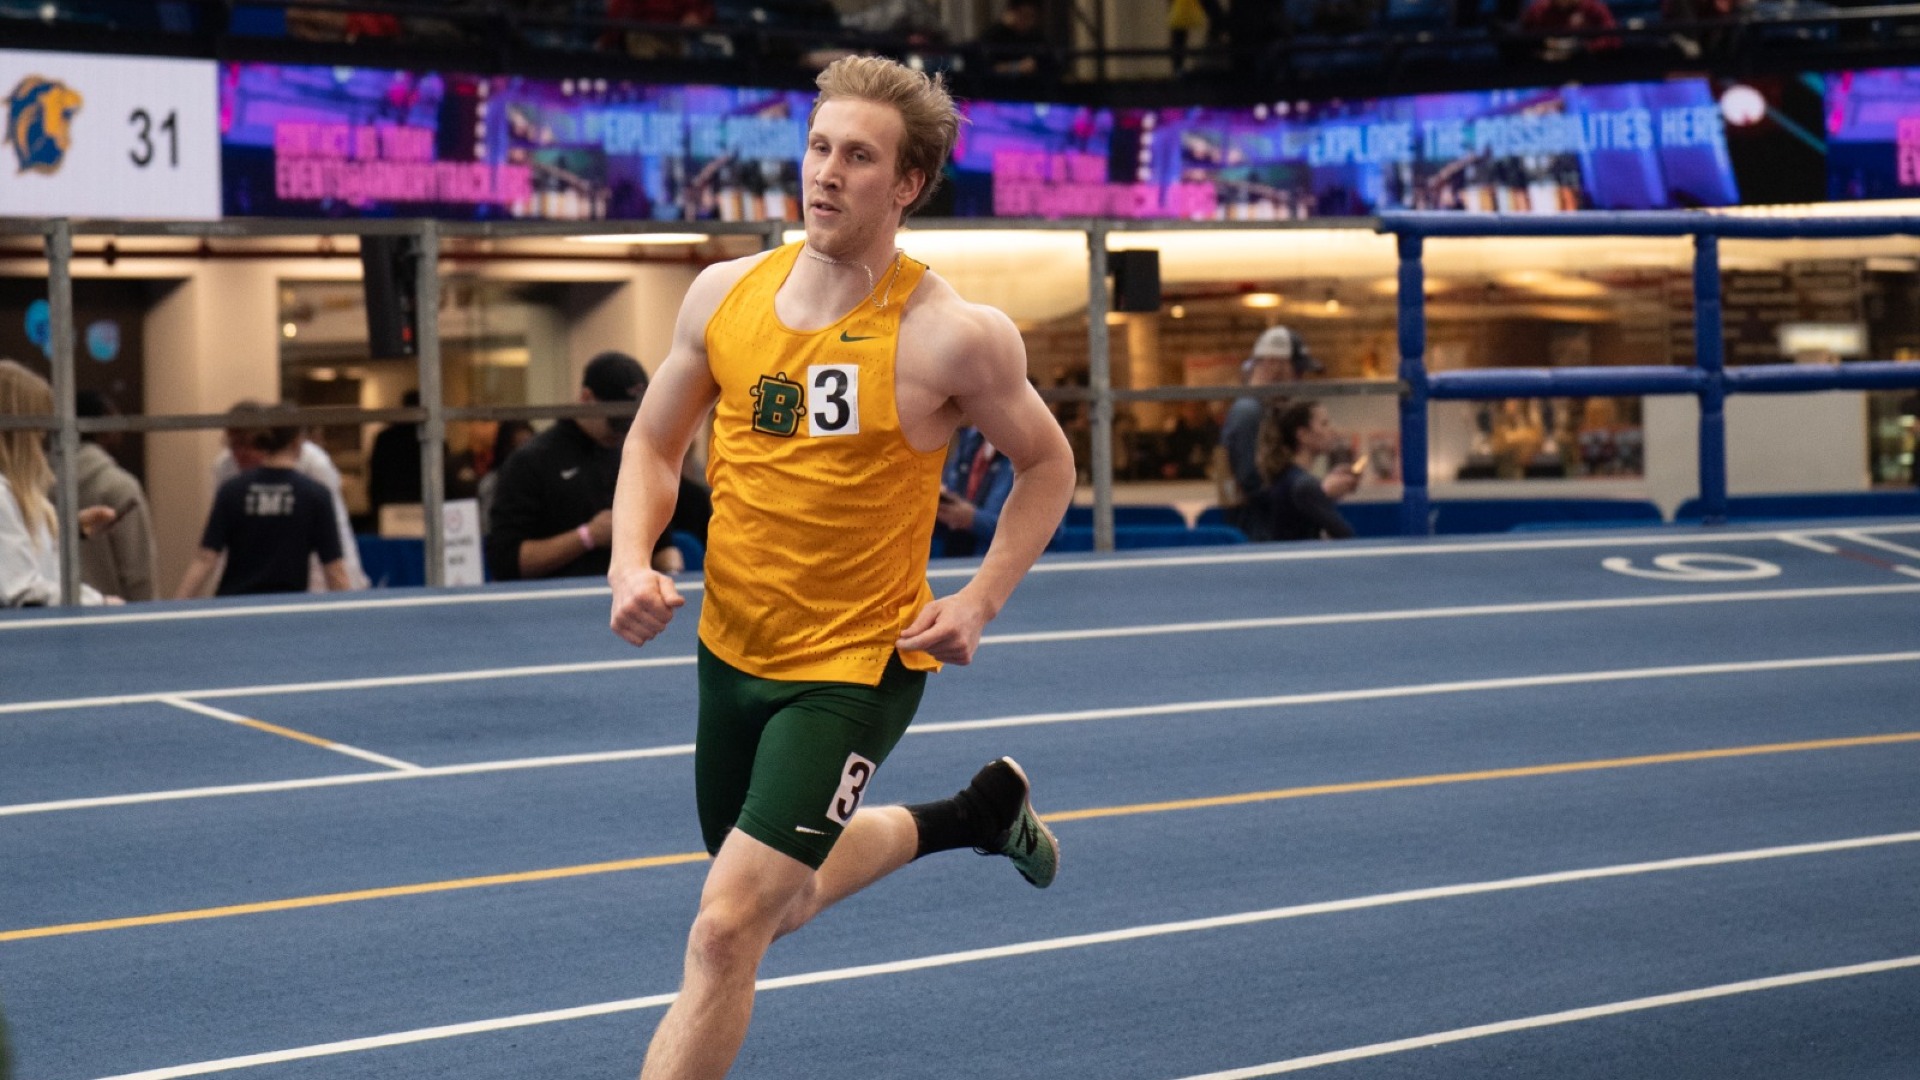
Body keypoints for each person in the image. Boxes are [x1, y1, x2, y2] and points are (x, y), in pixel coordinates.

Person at [605, 55, 1077, 1080]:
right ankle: (974, 817)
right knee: (784, 899)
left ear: (908, 183)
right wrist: (629, 561)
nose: (825, 172)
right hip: (731, 652)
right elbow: (653, 444)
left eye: (858, 157)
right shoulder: (725, 295)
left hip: (855, 666)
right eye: (819, 147)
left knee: (726, 929)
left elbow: (1048, 464)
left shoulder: (950, 336)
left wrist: (981, 600)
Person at [486, 351, 708, 580]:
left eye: (631, 420)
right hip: (556, 596)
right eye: (615, 421)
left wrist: (671, 570)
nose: (622, 432)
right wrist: (587, 537)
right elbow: (505, 561)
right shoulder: (531, 462)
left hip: (627, 595)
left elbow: (662, 544)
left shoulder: (631, 454)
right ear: (586, 398)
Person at [176, 405, 352, 597]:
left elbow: (205, 558)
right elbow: (334, 570)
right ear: (297, 442)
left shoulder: (232, 491)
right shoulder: (315, 495)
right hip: (286, 603)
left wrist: (177, 606)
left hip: (236, 601)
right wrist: (350, 610)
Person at [0, 360, 116, 606]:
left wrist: (66, 529)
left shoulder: (15, 494)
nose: (44, 443)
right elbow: (23, 591)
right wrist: (99, 603)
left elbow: (21, 558)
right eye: (39, 432)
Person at [1219, 325, 1320, 515]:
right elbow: (1255, 486)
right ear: (1272, 363)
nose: (1299, 381)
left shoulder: (1263, 410)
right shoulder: (1249, 412)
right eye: (1297, 372)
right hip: (1257, 527)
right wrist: (1316, 494)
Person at [72, 390, 158, 601]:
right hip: (112, 611)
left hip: (55, 611)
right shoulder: (119, 486)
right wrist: (147, 613)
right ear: (104, 424)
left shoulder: (41, 485)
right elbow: (137, 570)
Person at [1245, 399, 1357, 541]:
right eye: (1324, 424)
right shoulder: (1304, 485)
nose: (1332, 430)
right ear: (1303, 435)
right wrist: (1322, 493)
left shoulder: (1287, 477)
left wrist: (1323, 493)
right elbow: (1346, 536)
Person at [934, 425, 1017, 557]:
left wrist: (973, 519)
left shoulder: (1028, 450)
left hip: (996, 558)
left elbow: (1035, 531)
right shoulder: (969, 438)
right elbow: (949, 488)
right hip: (952, 555)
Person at [366, 388, 425, 524]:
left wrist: (376, 510)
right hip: (418, 508)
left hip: (391, 508)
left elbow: (376, 478)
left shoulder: (385, 438)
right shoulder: (431, 441)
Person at [976, 0, 1055, 79]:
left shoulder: (1037, 37)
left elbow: (1049, 65)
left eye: (1031, 16)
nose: (1026, 21)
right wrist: (1016, 67)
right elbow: (984, 67)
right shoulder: (995, 35)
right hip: (999, 83)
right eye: (1022, 15)